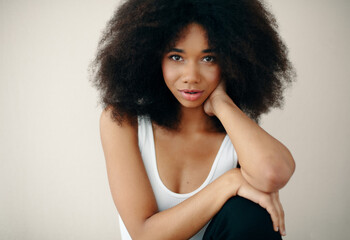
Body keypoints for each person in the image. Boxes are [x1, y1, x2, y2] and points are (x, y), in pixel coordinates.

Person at [91, 0, 296, 239]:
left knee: (250, 213)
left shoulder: (235, 134)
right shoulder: (124, 121)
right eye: (176, 57)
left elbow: (274, 173)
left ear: (231, 63)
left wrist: (221, 102)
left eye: (208, 59)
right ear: (152, 58)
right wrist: (231, 181)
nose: (191, 76)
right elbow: (144, 234)